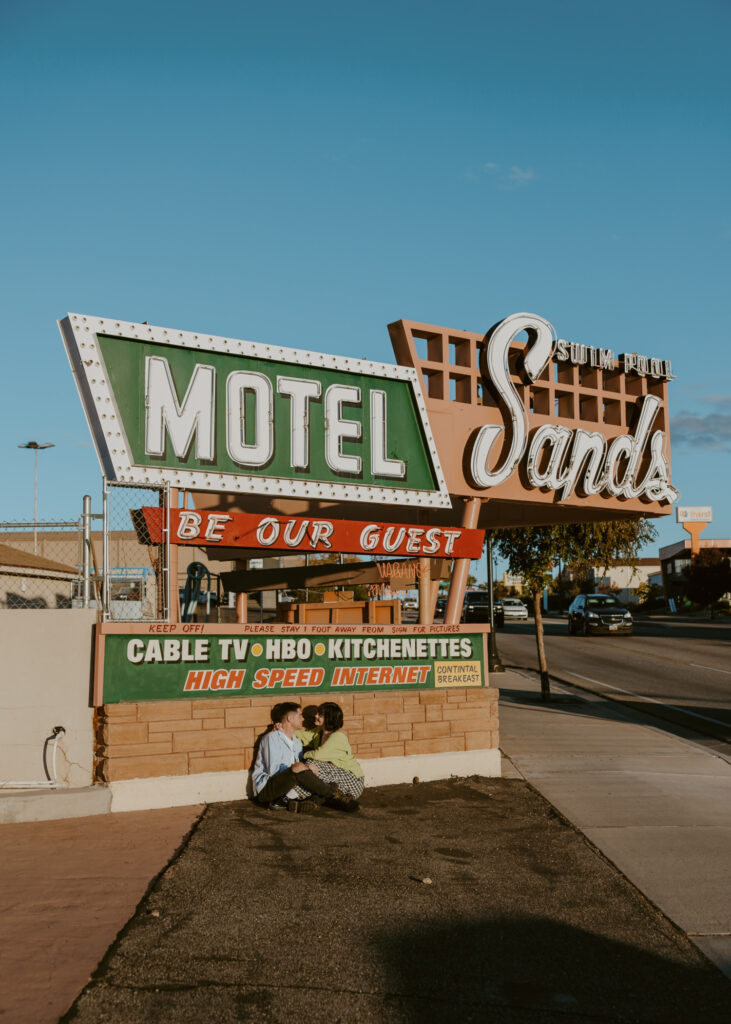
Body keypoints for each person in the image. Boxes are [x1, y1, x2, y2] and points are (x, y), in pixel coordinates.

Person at [251, 702, 356, 814]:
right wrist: (302, 768)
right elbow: (273, 770)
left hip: (288, 786)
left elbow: (301, 770)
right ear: (290, 719)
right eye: (300, 715)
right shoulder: (272, 738)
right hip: (267, 789)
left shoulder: (296, 743)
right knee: (301, 768)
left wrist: (306, 768)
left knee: (312, 772)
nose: (303, 718)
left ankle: (293, 802)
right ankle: (334, 794)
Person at [296, 701, 365, 805]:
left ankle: (292, 794)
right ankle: (317, 799)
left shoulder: (338, 737)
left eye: (320, 714)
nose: (316, 715)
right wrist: (283, 729)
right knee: (311, 772)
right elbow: (302, 736)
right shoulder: (318, 732)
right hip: (334, 781)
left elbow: (317, 755)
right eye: (317, 713)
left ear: (329, 718)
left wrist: (302, 756)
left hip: (352, 781)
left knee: (311, 764)